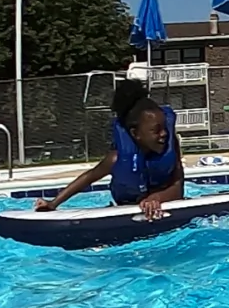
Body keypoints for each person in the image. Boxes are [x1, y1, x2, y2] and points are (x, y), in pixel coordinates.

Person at [36, 79, 184, 220]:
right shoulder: (116, 159)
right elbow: (89, 177)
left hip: (163, 200)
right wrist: (53, 203)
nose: (164, 134)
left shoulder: (171, 148)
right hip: (125, 205)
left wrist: (157, 198)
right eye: (156, 130)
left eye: (164, 128)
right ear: (135, 134)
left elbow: (178, 187)